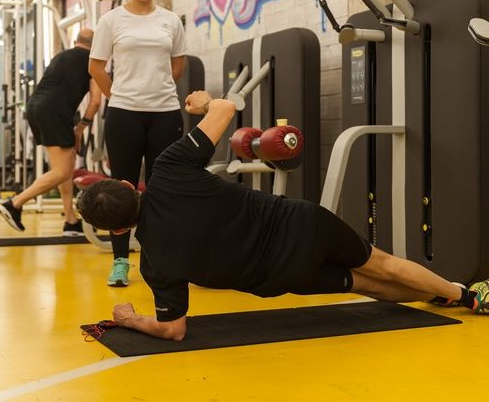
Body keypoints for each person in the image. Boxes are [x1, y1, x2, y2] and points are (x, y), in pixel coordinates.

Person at [77, 90, 489, 341]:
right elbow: (225, 107)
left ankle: (440, 293)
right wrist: (202, 103)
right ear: (131, 186)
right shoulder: (168, 169)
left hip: (284, 274)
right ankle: (465, 295)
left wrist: (129, 320)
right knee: (382, 262)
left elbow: (173, 329)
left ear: (117, 229)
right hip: (303, 223)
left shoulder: (155, 264)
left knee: (369, 286)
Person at [88, 0, 187, 287]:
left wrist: (157, 87)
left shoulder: (170, 20)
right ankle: (120, 262)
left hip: (165, 112)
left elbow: (178, 63)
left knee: (164, 188)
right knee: (122, 189)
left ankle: (159, 259)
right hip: (124, 114)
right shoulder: (112, 21)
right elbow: (96, 66)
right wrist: (118, 95)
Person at [0, 28, 101, 235]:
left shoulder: (61, 56)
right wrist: (80, 128)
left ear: (76, 41)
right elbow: (96, 102)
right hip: (55, 111)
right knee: (62, 171)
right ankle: (15, 203)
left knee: (64, 167)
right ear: (96, 44)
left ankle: (71, 221)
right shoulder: (93, 60)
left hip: (35, 107)